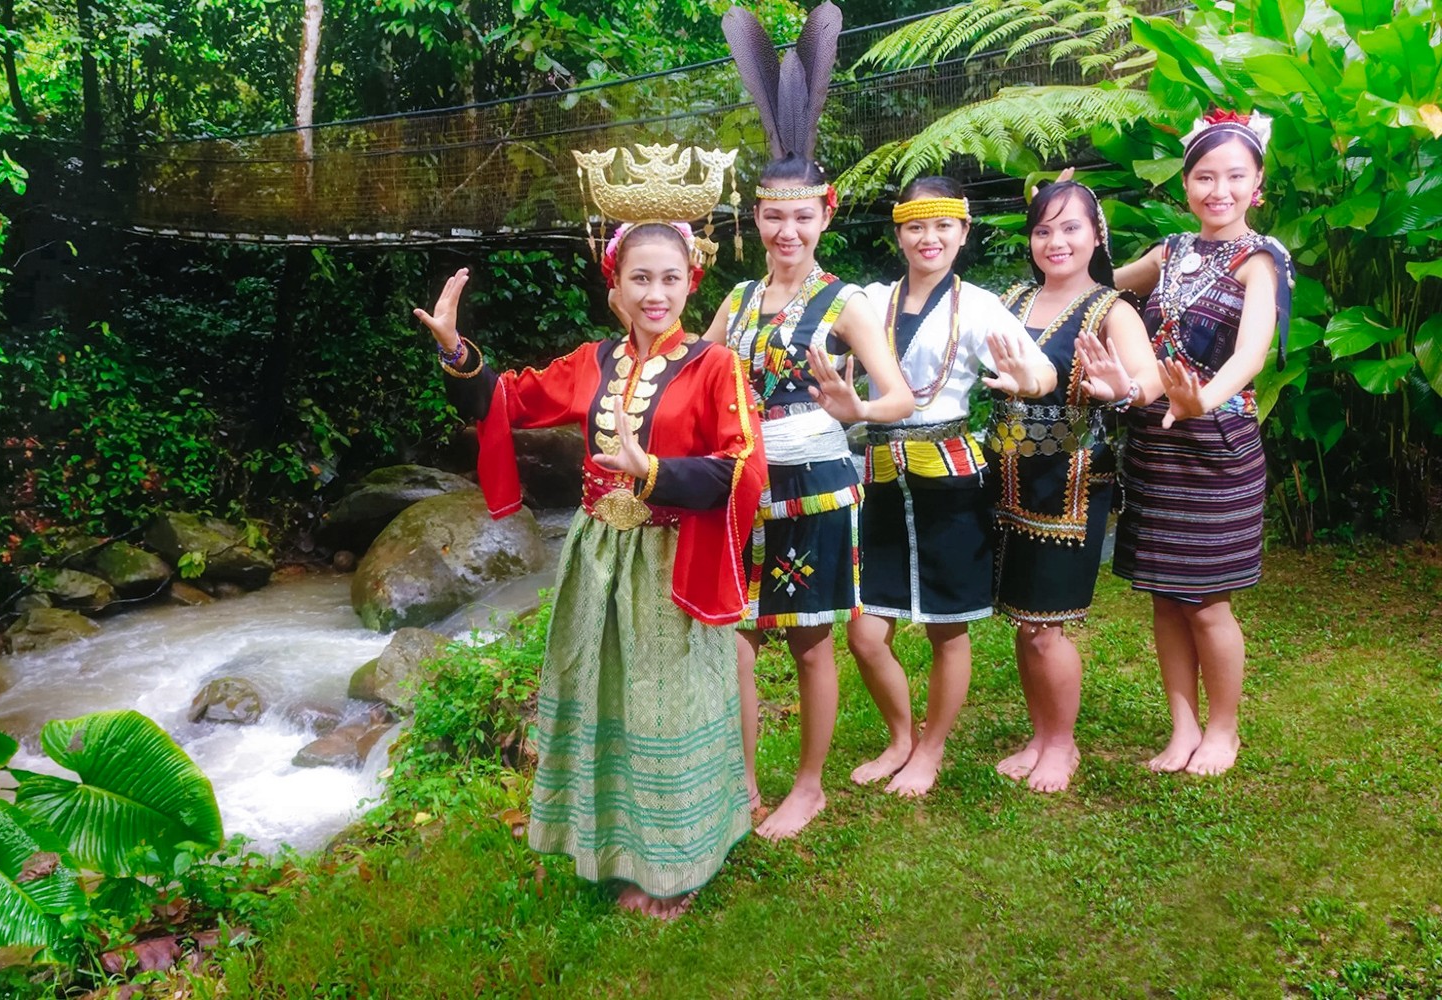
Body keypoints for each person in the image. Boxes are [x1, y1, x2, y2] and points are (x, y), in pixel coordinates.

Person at [413, 220, 769, 918]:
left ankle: (677, 868)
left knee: (664, 709)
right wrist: (456, 349)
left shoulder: (714, 368)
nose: (656, 292)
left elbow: (744, 465)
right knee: (605, 700)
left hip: (671, 562)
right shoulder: (591, 361)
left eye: (670, 277)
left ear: (691, 280)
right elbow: (506, 402)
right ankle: (610, 845)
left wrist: (656, 472)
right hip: (597, 557)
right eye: (641, 277)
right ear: (617, 285)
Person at [708, 0, 916, 841]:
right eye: (772, 215)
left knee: (808, 643)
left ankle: (809, 785)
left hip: (818, 487)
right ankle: (743, 781)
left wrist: (854, 407)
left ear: (825, 213)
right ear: (755, 218)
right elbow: (698, 378)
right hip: (743, 488)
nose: (787, 229)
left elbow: (898, 396)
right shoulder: (736, 299)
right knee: (739, 640)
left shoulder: (849, 303)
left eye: (802, 215)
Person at [847, 176, 1057, 798]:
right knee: (865, 630)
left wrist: (1028, 380)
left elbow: (1041, 370)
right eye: (915, 225)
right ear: (899, 234)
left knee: (946, 625)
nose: (929, 238)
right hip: (882, 479)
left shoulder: (983, 307)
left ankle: (930, 752)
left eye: (943, 225)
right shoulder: (871, 300)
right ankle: (901, 737)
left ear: (963, 232)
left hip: (949, 479)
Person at [1104, 108, 1294, 777]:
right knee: (1164, 594)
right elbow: (1102, 285)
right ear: (1185, 185)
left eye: (1235, 176)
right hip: (1156, 448)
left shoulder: (1261, 260)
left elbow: (1252, 353)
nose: (1219, 189)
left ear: (1257, 184)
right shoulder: (1170, 251)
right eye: (1205, 176)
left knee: (1208, 601)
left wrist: (1200, 401)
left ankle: (1224, 730)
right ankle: (1182, 726)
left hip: (1219, 447)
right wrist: (1068, 219)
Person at [988, 178, 1161, 793]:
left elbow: (1145, 379)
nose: (1055, 241)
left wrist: (1121, 390)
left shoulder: (1110, 310)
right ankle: (1038, 734)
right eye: (1043, 229)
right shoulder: (1008, 299)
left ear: (1097, 236)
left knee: (1046, 623)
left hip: (1072, 486)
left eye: (1069, 228)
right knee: (1023, 621)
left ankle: (1062, 744)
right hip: (1005, 482)